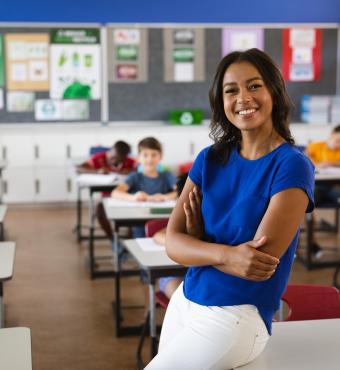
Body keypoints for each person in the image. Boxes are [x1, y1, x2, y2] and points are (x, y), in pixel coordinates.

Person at [145, 48, 314, 370]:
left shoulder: (292, 165)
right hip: (186, 300)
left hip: (236, 316)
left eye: (254, 86)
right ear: (220, 101)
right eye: (231, 90)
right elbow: (172, 243)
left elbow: (257, 264)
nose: (243, 98)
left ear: (274, 92)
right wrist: (225, 254)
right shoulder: (209, 159)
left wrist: (198, 246)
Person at [112, 137, 177, 238]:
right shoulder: (134, 176)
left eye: (154, 155)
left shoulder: (167, 175)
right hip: (139, 225)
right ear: (138, 157)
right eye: (145, 155)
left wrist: (165, 197)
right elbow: (115, 193)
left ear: (161, 156)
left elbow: (180, 191)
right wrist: (134, 197)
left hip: (163, 223)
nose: (149, 159)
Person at [77, 140, 136, 240]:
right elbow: (79, 168)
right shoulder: (100, 158)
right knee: (100, 209)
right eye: (112, 157)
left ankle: (127, 242)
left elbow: (141, 169)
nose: (113, 161)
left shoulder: (130, 161)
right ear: (111, 151)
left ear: (124, 158)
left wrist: (130, 171)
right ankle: (112, 238)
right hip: (107, 198)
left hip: (125, 196)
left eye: (119, 160)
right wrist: (97, 171)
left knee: (134, 212)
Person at [305, 125, 340, 257]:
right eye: (337, 140)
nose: (338, 144)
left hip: (331, 188)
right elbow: (305, 159)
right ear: (332, 134)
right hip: (315, 186)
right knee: (306, 204)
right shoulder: (315, 146)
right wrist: (318, 164)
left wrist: (331, 164)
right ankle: (312, 243)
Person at [152, 173, 189, 299]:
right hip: (175, 274)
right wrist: (181, 243)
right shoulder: (182, 218)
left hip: (205, 274)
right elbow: (158, 235)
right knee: (181, 300)